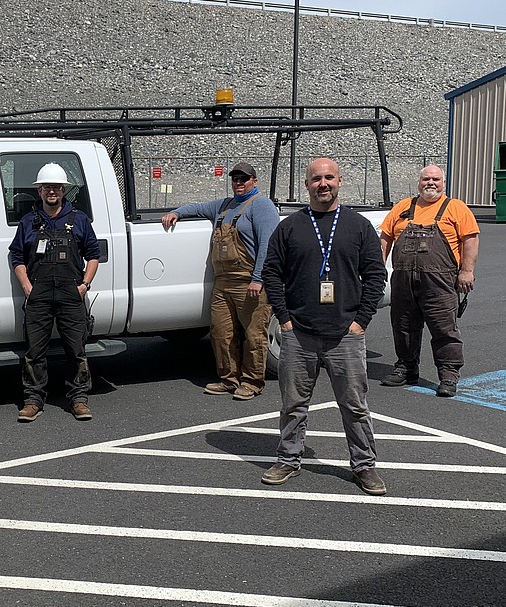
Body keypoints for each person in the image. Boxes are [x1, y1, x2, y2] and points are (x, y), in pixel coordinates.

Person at [260, 158, 389, 496]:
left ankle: (364, 466)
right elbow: (271, 272)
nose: (323, 184)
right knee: (292, 404)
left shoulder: (358, 226)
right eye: (316, 178)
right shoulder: (290, 227)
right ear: (306, 185)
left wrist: (361, 322)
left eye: (329, 177)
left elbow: (376, 276)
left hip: (345, 334)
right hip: (299, 333)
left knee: (355, 406)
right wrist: (284, 318)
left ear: (340, 181)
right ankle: (288, 458)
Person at [161, 162, 280, 400]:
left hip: (249, 283)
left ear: (254, 181)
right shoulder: (224, 205)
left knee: (254, 335)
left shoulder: (262, 206)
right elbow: (198, 207)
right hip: (223, 283)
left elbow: (269, 245)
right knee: (221, 333)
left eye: (244, 179)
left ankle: (252, 382)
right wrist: (177, 212)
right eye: (235, 179)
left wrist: (258, 279)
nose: (238, 183)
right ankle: (228, 380)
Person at [378, 164, 480, 398]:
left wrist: (467, 271)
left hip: (440, 282)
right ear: (419, 182)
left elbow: (470, 240)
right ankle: (406, 368)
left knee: (444, 328)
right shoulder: (403, 207)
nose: (430, 183)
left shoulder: (456, 208)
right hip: (403, 280)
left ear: (443, 183)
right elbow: (385, 238)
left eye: (435, 179)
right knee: (403, 326)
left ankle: (448, 375)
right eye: (426, 179)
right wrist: (378, 267)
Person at [9, 163, 100, 423]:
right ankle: (33, 400)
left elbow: (93, 255)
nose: (52, 191)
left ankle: (79, 399)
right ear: (39, 191)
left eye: (57, 187)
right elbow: (17, 257)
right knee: (35, 352)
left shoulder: (79, 219)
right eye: (47, 187)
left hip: (71, 295)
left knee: (76, 349)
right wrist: (27, 287)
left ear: (64, 191)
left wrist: (84, 285)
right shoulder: (28, 221)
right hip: (38, 295)